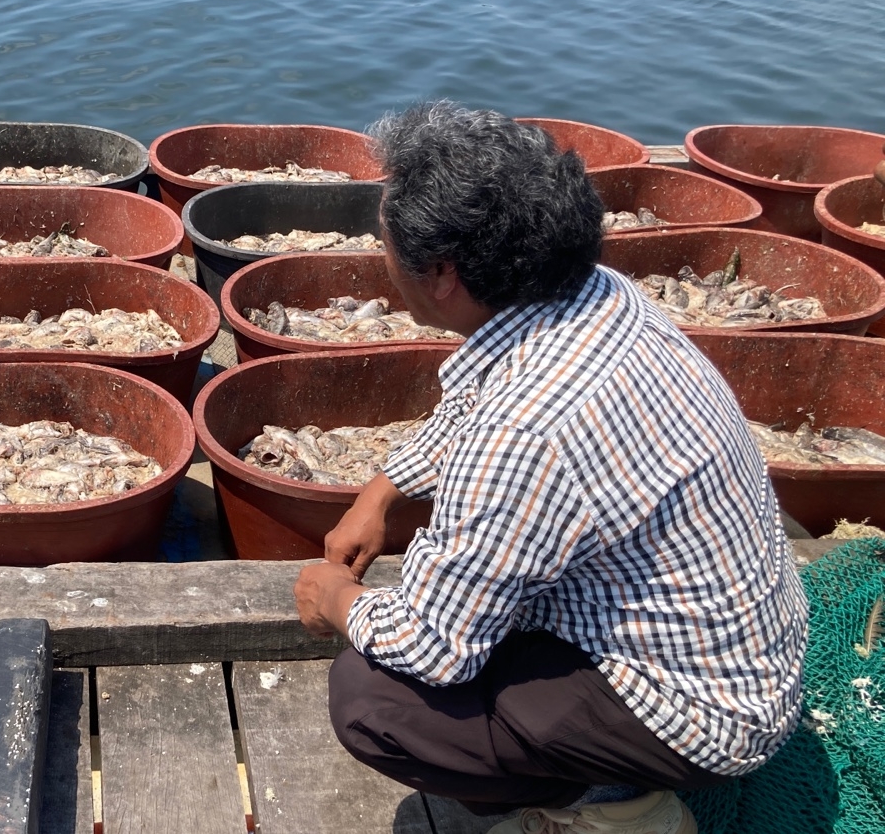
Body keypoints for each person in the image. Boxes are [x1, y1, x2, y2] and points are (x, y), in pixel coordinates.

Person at [293, 102, 808, 834]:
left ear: (441, 272)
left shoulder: (525, 432)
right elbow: (477, 398)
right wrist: (383, 490)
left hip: (710, 718)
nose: (382, 257)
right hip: (746, 652)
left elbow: (432, 646)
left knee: (370, 698)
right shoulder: (597, 293)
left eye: (385, 243)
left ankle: (613, 810)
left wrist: (336, 600)